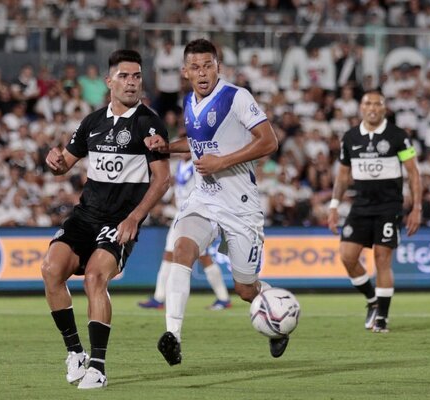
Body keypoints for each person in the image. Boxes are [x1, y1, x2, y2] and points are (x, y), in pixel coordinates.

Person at [146, 39, 280, 364]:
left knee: (246, 290)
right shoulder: (189, 102)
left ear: (218, 66)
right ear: (185, 72)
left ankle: (279, 313)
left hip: (240, 206)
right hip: (204, 199)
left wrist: (224, 161)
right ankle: (173, 336)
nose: (202, 72)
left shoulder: (236, 97)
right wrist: (166, 147)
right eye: (195, 67)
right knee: (182, 249)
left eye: (208, 65)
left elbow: (269, 141)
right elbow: (197, 144)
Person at [42, 49, 170, 390]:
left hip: (120, 219)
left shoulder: (149, 122)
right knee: (51, 270)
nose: (131, 82)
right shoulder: (93, 122)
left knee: (95, 278)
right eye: (125, 76)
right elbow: (64, 165)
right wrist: (53, 161)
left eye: (137, 76)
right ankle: (75, 353)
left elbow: (162, 179)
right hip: (86, 215)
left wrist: (135, 218)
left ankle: (97, 367)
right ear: (109, 81)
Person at [327, 90, 422, 333]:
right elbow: (342, 175)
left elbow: (413, 173)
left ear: (384, 108)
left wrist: (417, 208)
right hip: (361, 206)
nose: (372, 107)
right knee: (347, 256)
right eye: (367, 103)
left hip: (389, 207)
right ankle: (372, 300)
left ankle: (382, 318)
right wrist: (334, 206)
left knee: (382, 258)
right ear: (361, 107)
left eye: (377, 103)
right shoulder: (349, 137)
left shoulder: (398, 136)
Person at [138, 152, 231, 311]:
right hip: (180, 215)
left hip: (194, 216)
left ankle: (223, 298)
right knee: (168, 255)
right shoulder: (180, 165)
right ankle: (159, 297)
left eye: (184, 148)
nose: (180, 152)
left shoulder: (199, 164)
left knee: (204, 257)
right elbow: (179, 190)